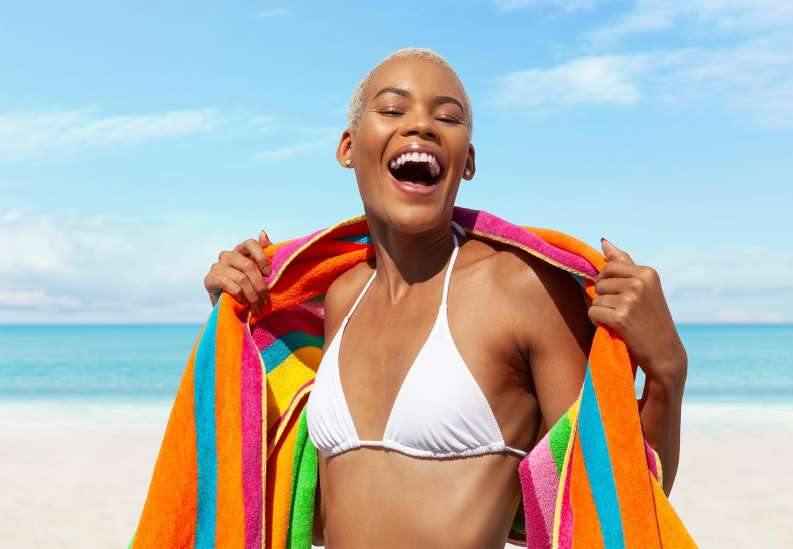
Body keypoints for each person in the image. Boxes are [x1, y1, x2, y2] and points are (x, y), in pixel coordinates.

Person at [203, 47, 687, 548]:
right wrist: (233, 324)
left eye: (447, 117)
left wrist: (668, 372)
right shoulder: (337, 300)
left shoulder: (521, 291)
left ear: (468, 161)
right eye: (392, 110)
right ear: (348, 147)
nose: (421, 126)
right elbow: (301, 509)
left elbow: (611, 504)